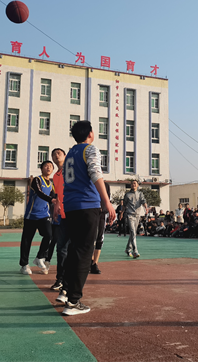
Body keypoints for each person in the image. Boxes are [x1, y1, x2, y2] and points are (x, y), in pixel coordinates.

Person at [59, 120, 115, 316]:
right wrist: (106, 201)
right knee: (84, 252)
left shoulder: (69, 155)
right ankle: (73, 302)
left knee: (75, 250)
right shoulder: (90, 149)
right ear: (90, 134)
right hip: (87, 206)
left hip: (71, 206)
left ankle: (66, 291)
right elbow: (95, 172)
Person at [19, 161, 58, 276]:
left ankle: (40, 257)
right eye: (46, 166)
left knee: (49, 235)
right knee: (27, 240)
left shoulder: (51, 184)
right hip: (31, 215)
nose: (48, 168)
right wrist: (51, 200)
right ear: (41, 169)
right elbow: (40, 193)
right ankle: (24, 264)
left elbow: (56, 196)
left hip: (44, 215)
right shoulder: (37, 180)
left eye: (51, 167)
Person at [48, 148, 69, 292]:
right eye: (53, 154)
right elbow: (57, 195)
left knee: (72, 249)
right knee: (61, 248)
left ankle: (69, 282)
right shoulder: (55, 176)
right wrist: (56, 206)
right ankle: (60, 279)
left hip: (75, 214)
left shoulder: (71, 171)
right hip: (62, 217)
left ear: (65, 156)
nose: (56, 156)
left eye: (59, 153)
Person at [90, 182, 111, 274]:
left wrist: (109, 211)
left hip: (102, 214)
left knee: (100, 237)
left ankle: (95, 263)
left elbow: (107, 199)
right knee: (90, 237)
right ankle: (89, 261)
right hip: (90, 212)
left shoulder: (106, 185)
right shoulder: (89, 183)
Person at [124, 180, 148, 258]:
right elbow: (124, 205)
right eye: (132, 183)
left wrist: (146, 207)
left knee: (133, 233)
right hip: (130, 215)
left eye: (134, 183)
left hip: (137, 215)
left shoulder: (140, 194)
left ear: (137, 185)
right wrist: (121, 213)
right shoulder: (127, 195)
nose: (133, 185)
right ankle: (135, 251)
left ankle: (128, 249)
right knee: (132, 232)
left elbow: (143, 201)